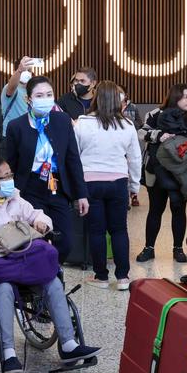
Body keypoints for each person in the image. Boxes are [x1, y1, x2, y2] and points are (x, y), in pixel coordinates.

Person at [0, 157, 101, 373]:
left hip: (21, 257)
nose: (10, 180)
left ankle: (69, 344)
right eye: (5, 177)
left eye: (11, 175)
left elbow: (36, 213)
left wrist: (42, 222)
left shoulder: (14, 196)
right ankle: (8, 354)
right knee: (4, 288)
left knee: (51, 280)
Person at [4, 76, 89, 263]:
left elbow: (73, 159)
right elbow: (9, 165)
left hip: (57, 185)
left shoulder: (62, 120)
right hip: (30, 188)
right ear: (29, 99)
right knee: (36, 240)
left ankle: (52, 270)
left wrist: (81, 194)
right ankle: (42, 281)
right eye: (39, 95)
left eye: (49, 94)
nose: (45, 99)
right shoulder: (16, 126)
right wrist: (9, 194)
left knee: (66, 241)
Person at [74, 81, 142, 291]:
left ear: (96, 98)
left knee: (97, 231)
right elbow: (135, 159)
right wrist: (134, 186)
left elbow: (74, 157)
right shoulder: (127, 125)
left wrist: (76, 189)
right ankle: (122, 277)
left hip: (90, 183)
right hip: (118, 183)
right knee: (119, 230)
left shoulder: (82, 123)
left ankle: (101, 277)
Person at [136, 84, 187, 263]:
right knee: (155, 209)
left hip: (181, 173)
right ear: (175, 97)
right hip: (157, 171)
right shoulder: (155, 114)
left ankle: (178, 249)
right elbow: (141, 132)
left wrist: (185, 152)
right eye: (186, 96)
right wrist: (159, 135)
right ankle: (149, 248)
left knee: (178, 209)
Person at [1, 56, 36, 136]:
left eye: (29, 70)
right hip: (11, 135)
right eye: (24, 70)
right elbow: (11, 86)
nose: (26, 72)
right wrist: (20, 70)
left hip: (29, 134)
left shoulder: (33, 91)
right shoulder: (10, 88)